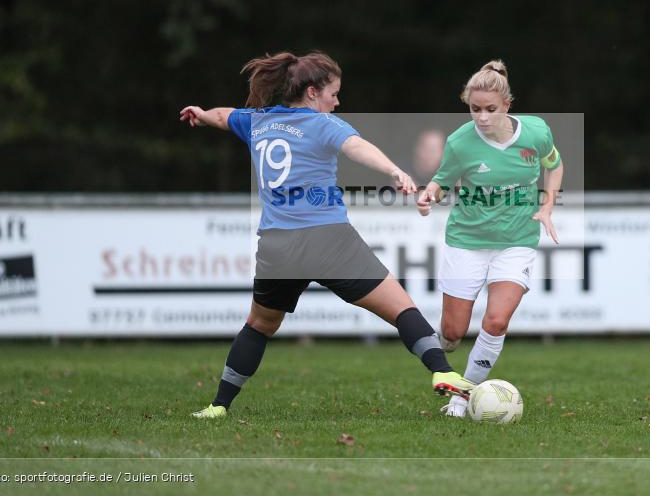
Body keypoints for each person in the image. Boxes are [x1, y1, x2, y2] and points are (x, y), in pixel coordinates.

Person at [180, 51, 473, 419]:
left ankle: (218, 405)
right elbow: (357, 147)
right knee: (401, 308)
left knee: (259, 325)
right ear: (312, 93)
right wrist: (394, 170)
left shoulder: (260, 121)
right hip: (328, 240)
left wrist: (202, 114)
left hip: (278, 246)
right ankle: (441, 370)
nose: (337, 102)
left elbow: (225, 116)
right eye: (333, 94)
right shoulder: (321, 123)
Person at [416, 60, 563, 418]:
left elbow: (554, 164)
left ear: (507, 105)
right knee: (453, 333)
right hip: (467, 240)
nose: (481, 117)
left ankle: (461, 399)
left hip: (517, 240)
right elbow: (442, 182)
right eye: (474, 109)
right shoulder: (460, 142)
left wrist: (547, 206)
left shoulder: (536, 132)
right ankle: (441, 347)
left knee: (496, 321)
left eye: (490, 109)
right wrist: (428, 195)